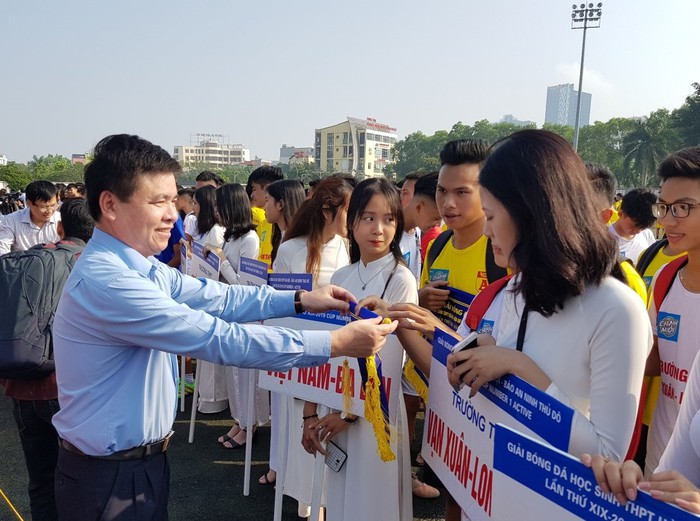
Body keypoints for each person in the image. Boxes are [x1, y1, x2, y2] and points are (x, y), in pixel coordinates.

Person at [50, 134, 397, 521]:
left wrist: (299, 299)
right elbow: (218, 337)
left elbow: (217, 297)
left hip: (130, 467)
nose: (173, 213)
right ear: (110, 205)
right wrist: (335, 343)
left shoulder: (139, 266)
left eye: (173, 200)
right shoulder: (111, 282)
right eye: (158, 201)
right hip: (109, 476)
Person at [445, 130, 651, 515]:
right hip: (494, 496)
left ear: (531, 211)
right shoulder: (517, 290)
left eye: (491, 216)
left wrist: (517, 366)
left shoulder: (616, 309)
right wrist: (477, 358)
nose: (486, 231)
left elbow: (606, 455)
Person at [304, 178, 417, 521]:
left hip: (374, 413)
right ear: (351, 223)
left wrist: (348, 415)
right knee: (339, 497)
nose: (378, 229)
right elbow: (323, 347)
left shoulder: (401, 279)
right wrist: (310, 413)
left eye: (389, 219)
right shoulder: (342, 275)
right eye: (368, 218)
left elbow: (391, 364)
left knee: (371, 502)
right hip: (335, 397)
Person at [0, 198, 94, 521]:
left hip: (21, 383)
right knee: (80, 479)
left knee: (40, 479)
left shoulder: (29, 258)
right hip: (68, 387)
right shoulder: (91, 265)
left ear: (61, 226)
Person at [266, 176, 352, 511]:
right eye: (351, 210)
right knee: (302, 429)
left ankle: (332, 505)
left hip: (341, 358)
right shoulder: (290, 248)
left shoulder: (350, 247)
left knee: (335, 433)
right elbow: (283, 305)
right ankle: (307, 503)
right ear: (329, 209)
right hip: (303, 359)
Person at [204, 183, 266, 449]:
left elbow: (245, 285)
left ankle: (249, 423)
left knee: (245, 373)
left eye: (220, 206)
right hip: (228, 310)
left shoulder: (250, 239)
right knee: (233, 372)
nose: (217, 211)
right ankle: (239, 420)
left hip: (245, 313)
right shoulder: (230, 237)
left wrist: (221, 261)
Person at [0, 180, 61, 256]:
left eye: (53, 205)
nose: (49, 211)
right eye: (43, 207)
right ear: (28, 203)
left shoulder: (61, 219)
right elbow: (2, 250)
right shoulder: (11, 220)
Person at [247, 165, 284, 268]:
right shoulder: (264, 223)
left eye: (254, 189)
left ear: (268, 187)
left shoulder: (290, 230)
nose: (252, 195)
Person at [609, 188, 657, 265]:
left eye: (642, 227)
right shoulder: (603, 238)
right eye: (633, 226)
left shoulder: (647, 235)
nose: (638, 232)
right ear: (621, 214)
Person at [263, 179, 306, 265]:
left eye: (267, 201)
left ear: (280, 204)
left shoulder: (297, 245)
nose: (264, 207)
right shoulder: (281, 237)